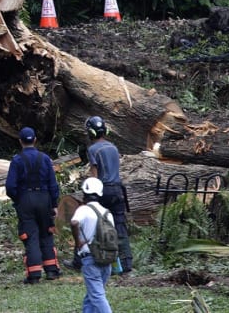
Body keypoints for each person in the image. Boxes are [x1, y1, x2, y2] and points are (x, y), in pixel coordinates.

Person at [5, 126, 62, 283]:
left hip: (26, 199)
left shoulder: (17, 160)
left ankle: (34, 274)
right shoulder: (44, 159)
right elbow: (53, 184)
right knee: (46, 233)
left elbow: (10, 186)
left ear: (20, 142)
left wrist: (18, 199)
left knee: (30, 236)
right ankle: (51, 271)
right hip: (44, 198)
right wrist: (54, 204)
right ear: (35, 140)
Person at [85, 115, 132, 272]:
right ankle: (126, 263)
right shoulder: (113, 147)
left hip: (102, 190)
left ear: (90, 133)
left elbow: (94, 174)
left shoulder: (92, 149)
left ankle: (94, 259)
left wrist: (89, 192)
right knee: (119, 224)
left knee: (96, 224)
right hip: (118, 189)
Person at [70, 177, 115, 313]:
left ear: (84, 194)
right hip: (106, 259)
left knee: (97, 295)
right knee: (92, 295)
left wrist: (78, 242)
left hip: (90, 258)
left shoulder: (84, 209)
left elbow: (74, 223)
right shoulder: (107, 213)